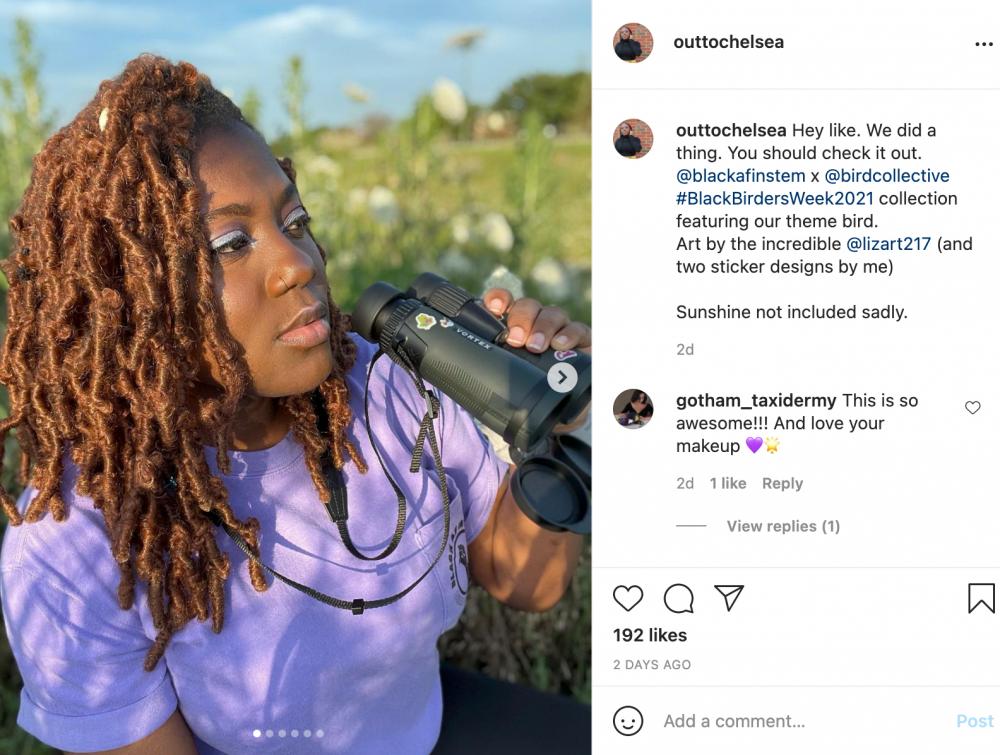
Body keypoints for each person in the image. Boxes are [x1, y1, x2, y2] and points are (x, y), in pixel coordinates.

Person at [0, 54, 591, 755]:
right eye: (232, 242)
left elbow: (528, 581)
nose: (299, 262)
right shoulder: (82, 540)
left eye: (295, 218)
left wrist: (560, 427)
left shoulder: (392, 387)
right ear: (132, 298)